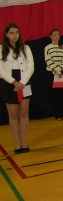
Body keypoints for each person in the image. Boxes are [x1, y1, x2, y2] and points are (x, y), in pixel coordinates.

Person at [0, 24, 34, 154]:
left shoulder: (26, 48)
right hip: (9, 82)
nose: (15, 35)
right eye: (12, 33)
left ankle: (24, 143)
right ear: (7, 35)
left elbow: (31, 66)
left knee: (24, 113)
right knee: (13, 115)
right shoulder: (1, 49)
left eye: (16, 32)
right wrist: (14, 82)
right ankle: (17, 144)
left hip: (24, 81)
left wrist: (22, 82)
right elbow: (1, 70)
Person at [44, 29, 63, 120]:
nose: (56, 37)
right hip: (53, 73)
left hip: (62, 73)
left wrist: (60, 70)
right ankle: (58, 114)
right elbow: (48, 60)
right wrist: (56, 71)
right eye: (54, 35)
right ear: (50, 36)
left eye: (57, 35)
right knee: (55, 95)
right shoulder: (47, 47)